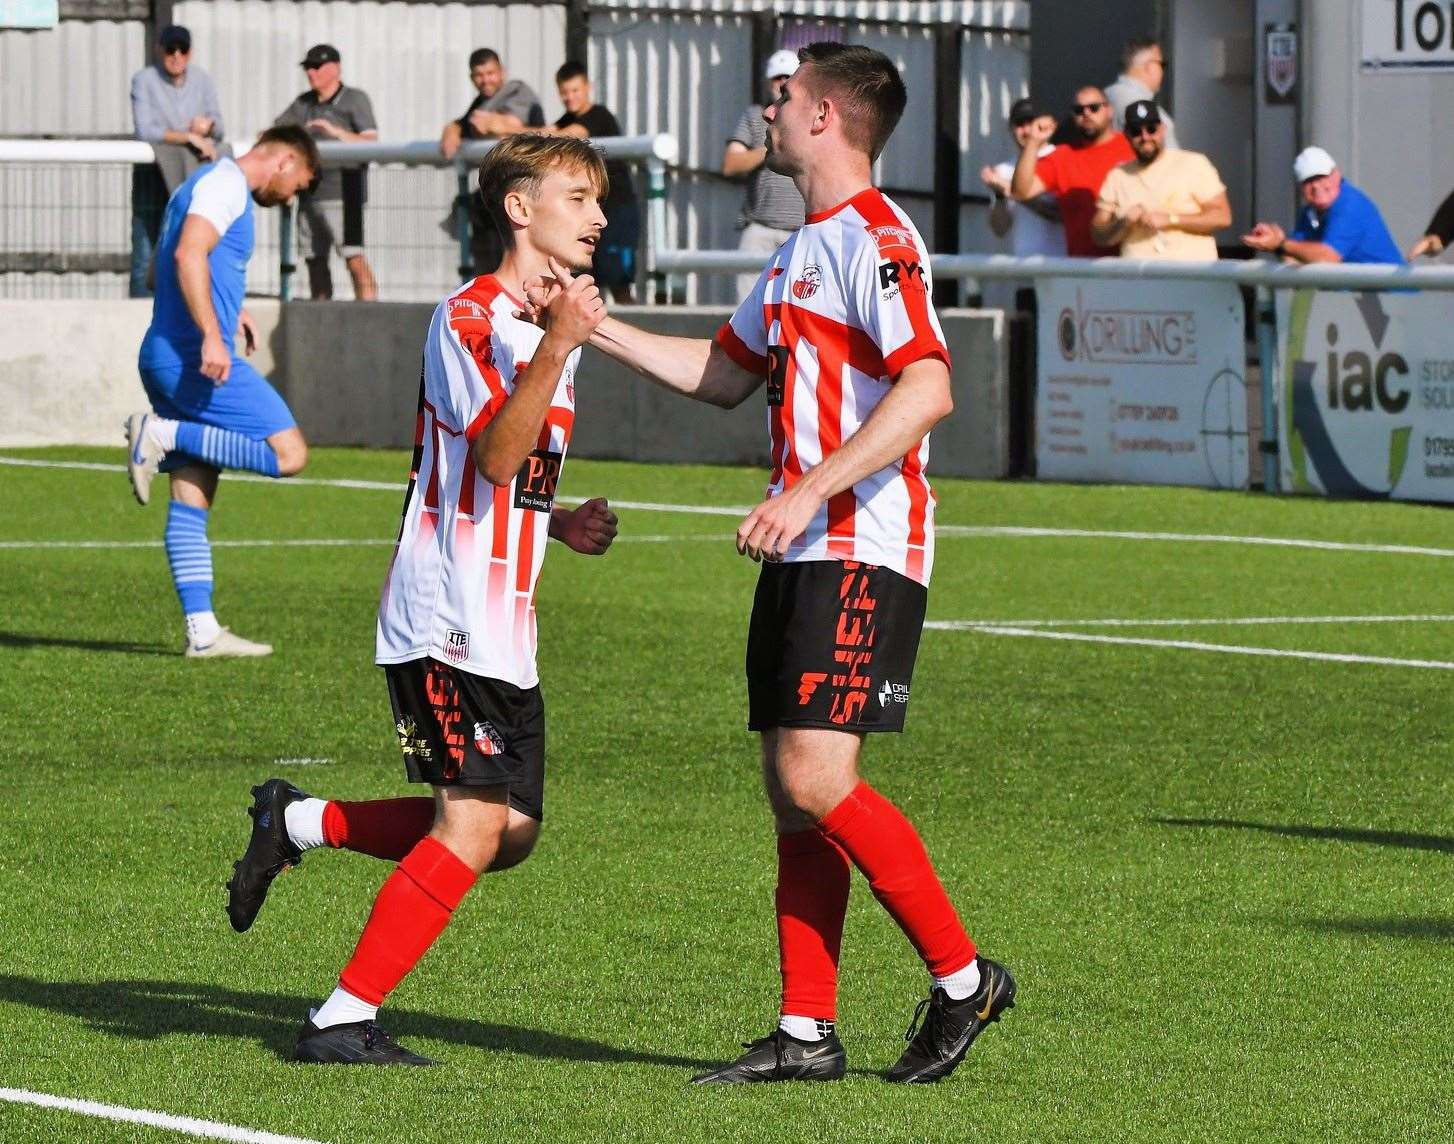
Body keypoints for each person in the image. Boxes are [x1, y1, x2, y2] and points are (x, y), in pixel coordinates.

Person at [528, 42, 1014, 1085]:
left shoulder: (877, 239)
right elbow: (719, 373)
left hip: (856, 543)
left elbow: (926, 387)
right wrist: (592, 328)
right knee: (790, 793)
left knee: (814, 774)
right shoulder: (799, 250)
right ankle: (804, 1032)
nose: (768, 109)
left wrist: (805, 491)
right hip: (806, 544)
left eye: (784, 98)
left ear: (829, 116)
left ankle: (965, 979)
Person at [224, 134, 618, 1067]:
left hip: (505, 625)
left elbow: (503, 473)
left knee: (508, 833)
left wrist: (554, 521)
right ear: (519, 210)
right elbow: (489, 451)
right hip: (444, 619)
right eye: (577, 197)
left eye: (598, 201)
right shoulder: (469, 319)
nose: (597, 218)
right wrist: (561, 344)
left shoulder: (549, 328)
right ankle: (338, 1019)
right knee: (473, 824)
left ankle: (298, 821)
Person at [123, 126, 320, 657]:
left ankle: (203, 632)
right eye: (298, 183)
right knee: (290, 454)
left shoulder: (200, 186)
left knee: (193, 492)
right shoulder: (226, 184)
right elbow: (189, 256)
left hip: (167, 354)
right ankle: (157, 433)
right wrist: (212, 332)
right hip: (193, 358)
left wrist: (233, 311)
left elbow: (157, 267)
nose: (292, 196)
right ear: (282, 161)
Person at [274, 44, 379, 300]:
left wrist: (336, 133)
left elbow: (371, 142)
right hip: (309, 194)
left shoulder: (354, 99)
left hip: (345, 192)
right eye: (308, 67)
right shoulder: (303, 103)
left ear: (335, 68)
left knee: (353, 257)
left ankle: (370, 316)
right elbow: (275, 133)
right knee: (314, 259)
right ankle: (321, 315)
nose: (311, 72)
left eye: (317, 66)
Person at [129, 24, 225, 297]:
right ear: (159, 50)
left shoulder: (203, 80)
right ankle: (139, 318)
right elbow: (145, 129)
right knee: (146, 249)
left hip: (191, 180)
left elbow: (220, 127)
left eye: (182, 50)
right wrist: (187, 137)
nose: (176, 56)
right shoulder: (144, 80)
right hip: (154, 176)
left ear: (190, 53)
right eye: (170, 49)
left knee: (189, 247)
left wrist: (206, 127)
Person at [440, 48, 546, 277]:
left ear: (502, 72)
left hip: (529, 191)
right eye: (479, 75)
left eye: (490, 73)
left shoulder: (517, 91)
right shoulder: (482, 101)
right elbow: (469, 124)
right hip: (500, 194)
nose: (485, 80)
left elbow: (509, 124)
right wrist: (454, 128)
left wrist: (496, 124)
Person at [547, 60, 638, 302]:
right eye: (564, 92)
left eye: (575, 90)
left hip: (617, 209)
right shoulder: (567, 118)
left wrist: (507, 127)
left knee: (619, 282)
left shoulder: (599, 115)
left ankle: (631, 329)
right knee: (590, 281)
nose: (569, 97)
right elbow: (546, 132)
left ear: (588, 88)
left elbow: (564, 135)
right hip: (590, 210)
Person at [1091, 100, 1229, 260]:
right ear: (1127, 134)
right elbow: (1099, 235)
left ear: (1162, 129)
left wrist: (1170, 220)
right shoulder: (1118, 175)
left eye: (1151, 129)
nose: (1145, 137)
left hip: (1191, 274)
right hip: (1139, 276)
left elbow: (1222, 217)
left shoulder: (1194, 163)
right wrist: (1124, 222)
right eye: (1136, 131)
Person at [1010, 85, 1133, 257]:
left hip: (1128, 265)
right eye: (1078, 110)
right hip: (1079, 270)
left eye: (1094, 108)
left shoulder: (1133, 148)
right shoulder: (1062, 157)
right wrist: (1033, 142)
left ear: (1109, 111)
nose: (1087, 114)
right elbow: (1021, 191)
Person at [723, 49, 807, 299]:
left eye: (787, 78)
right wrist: (771, 148)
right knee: (747, 304)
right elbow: (731, 163)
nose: (781, 84)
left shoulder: (810, 117)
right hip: (760, 227)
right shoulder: (755, 115)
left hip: (803, 229)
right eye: (776, 78)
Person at [1242, 146, 1404, 265]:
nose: (1316, 186)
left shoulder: (1351, 205)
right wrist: (1275, 243)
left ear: (1336, 174)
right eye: (1308, 181)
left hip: (1396, 302)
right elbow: (1294, 258)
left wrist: (1281, 244)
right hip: (1357, 302)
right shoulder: (1309, 213)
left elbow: (1328, 257)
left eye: (1321, 177)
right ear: (1300, 188)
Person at [980, 98, 1062, 309]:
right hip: (1024, 277)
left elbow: (1059, 215)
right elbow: (1000, 229)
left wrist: (1012, 190)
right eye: (1019, 123)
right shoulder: (1004, 169)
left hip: (1062, 271)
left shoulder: (1062, 159)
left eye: (1031, 122)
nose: (1026, 130)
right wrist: (1000, 195)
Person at [1106, 37, 1178, 149]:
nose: (1162, 71)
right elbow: (1170, 161)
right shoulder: (1150, 113)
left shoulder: (1103, 98)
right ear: (1149, 66)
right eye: (1162, 64)